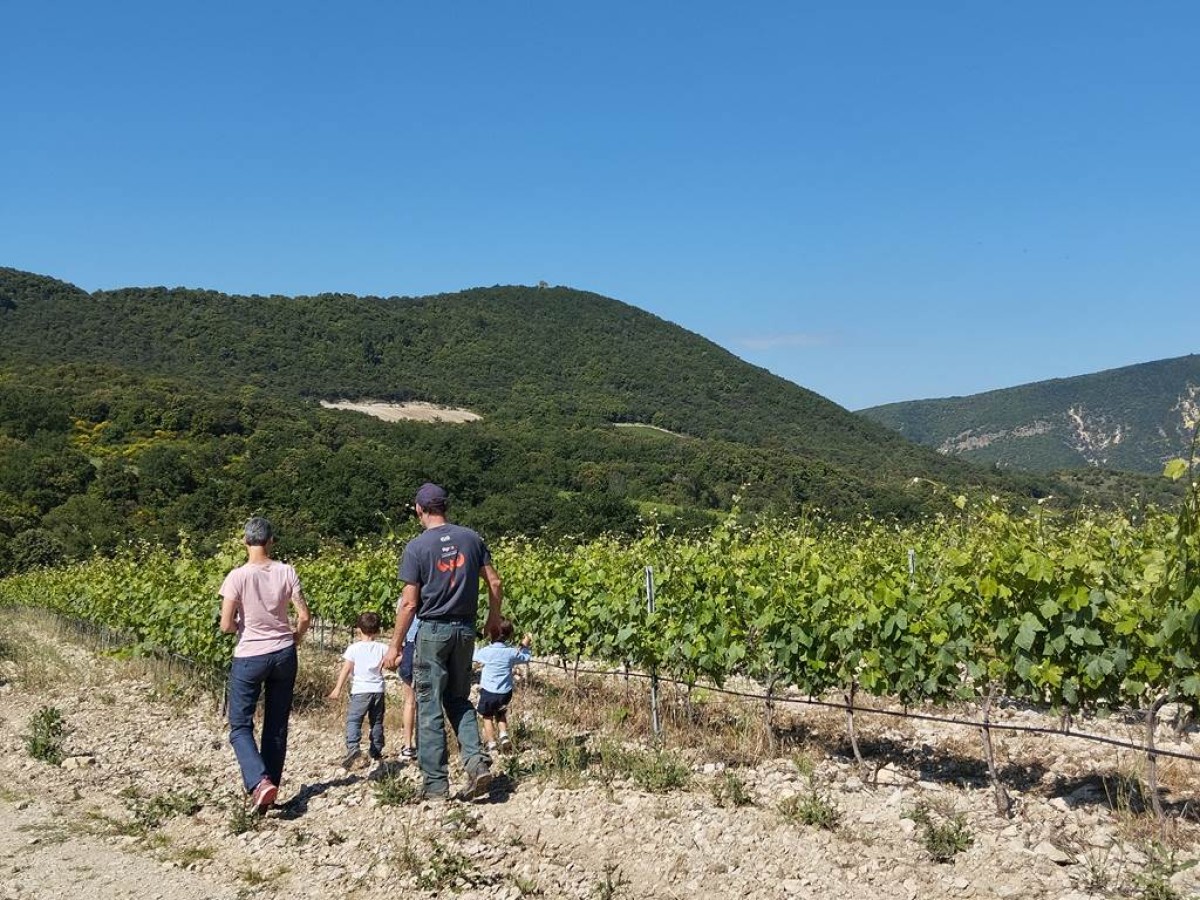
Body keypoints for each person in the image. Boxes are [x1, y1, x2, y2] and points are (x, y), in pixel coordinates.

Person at [383, 482, 502, 801]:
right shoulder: (472, 538)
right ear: (445, 507)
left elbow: (409, 603)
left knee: (429, 703)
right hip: (465, 631)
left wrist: (395, 645)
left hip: (432, 631)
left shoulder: (417, 547)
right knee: (459, 699)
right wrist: (493, 618)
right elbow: (494, 581)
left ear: (420, 510)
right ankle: (477, 765)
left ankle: (435, 784)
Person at [219, 516, 310, 812]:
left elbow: (225, 625)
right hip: (284, 653)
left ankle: (259, 783)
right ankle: (270, 787)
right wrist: (294, 637)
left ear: (245, 541)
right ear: (271, 541)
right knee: (276, 724)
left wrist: (241, 625)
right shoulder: (287, 571)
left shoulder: (237, 576)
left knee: (240, 725)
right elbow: (305, 616)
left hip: (250, 655)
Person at [327, 611, 389, 769]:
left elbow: (346, 669)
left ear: (358, 629)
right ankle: (376, 750)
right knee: (376, 721)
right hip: (378, 690)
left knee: (354, 720)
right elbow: (397, 657)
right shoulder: (383, 647)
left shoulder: (354, 648)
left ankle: (353, 748)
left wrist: (337, 688)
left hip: (360, 690)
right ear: (378, 630)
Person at [473, 620, 532, 752]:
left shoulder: (486, 651)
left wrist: (475, 643)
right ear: (510, 636)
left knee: (487, 716)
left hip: (488, 692)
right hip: (505, 692)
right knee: (500, 712)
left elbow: (475, 656)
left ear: (490, 635)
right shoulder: (511, 652)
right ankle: (504, 736)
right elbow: (525, 657)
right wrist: (526, 644)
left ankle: (492, 743)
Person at [397, 615, 420, 761]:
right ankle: (428, 747)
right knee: (431, 702)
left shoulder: (405, 600)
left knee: (409, 702)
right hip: (434, 648)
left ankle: (408, 746)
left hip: (410, 648)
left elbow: (400, 628)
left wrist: (396, 649)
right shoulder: (438, 595)